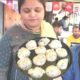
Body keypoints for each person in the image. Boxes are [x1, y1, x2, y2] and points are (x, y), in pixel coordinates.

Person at [0, 0, 57, 80]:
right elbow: (1, 69)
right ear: (20, 12)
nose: (32, 14)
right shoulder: (11, 34)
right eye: (27, 11)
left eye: (37, 10)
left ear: (44, 10)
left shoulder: (49, 30)